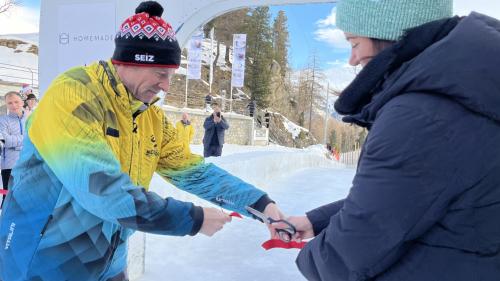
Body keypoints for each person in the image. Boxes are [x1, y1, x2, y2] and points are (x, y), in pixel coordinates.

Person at [0, 2, 285, 281]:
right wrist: (192, 219)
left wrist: (261, 204)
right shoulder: (73, 95)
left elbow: (194, 172)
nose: (166, 86)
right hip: (43, 262)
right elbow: (103, 191)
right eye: (161, 74)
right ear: (132, 62)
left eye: (171, 75)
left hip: (108, 263)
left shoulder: (150, 117)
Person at [283, 1, 500, 280]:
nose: (352, 59)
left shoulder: (420, 113)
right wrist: (316, 222)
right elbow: (415, 195)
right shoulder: (466, 94)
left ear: (386, 32)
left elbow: (356, 243)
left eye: (354, 43)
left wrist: (309, 258)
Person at [0, 92, 27, 209]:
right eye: (10, 103)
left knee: (27, 196)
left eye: (16, 101)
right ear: (6, 105)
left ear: (22, 102)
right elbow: (5, 139)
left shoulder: (31, 119)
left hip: (29, 163)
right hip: (9, 165)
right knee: (8, 197)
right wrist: (25, 141)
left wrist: (14, 143)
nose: (13, 105)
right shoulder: (3, 120)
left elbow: (37, 138)